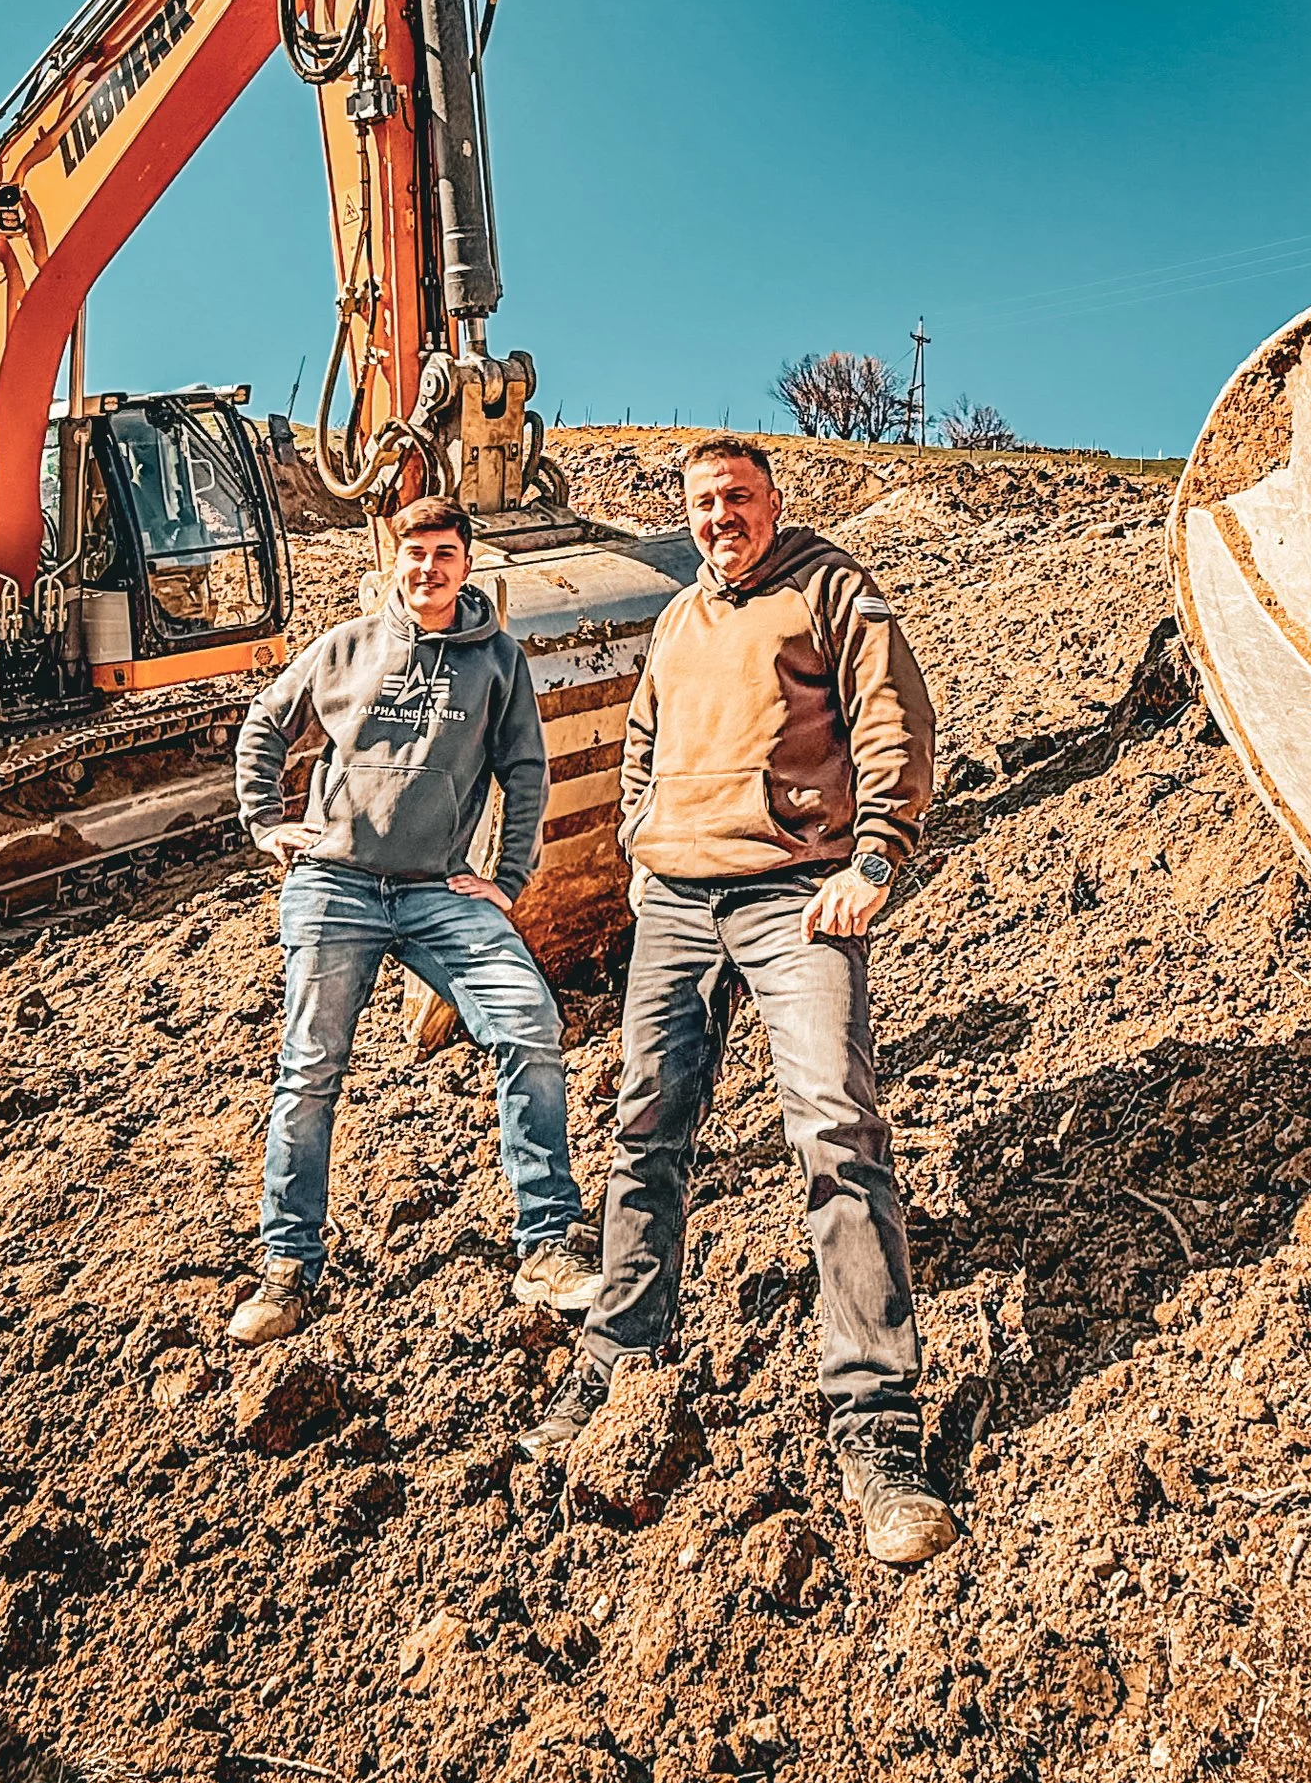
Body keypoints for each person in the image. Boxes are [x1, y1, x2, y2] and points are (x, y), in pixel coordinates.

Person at [518, 436, 957, 1567]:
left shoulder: (829, 587)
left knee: (835, 1128)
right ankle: (618, 1352)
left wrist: (875, 857)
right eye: (705, 502)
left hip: (796, 897)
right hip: (674, 901)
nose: (722, 516)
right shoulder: (677, 618)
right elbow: (643, 742)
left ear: (773, 501)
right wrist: (636, 846)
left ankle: (874, 1427)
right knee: (645, 1128)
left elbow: (893, 717)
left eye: (739, 498)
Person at [227, 492, 600, 1344]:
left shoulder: (499, 660)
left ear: (468, 564)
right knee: (309, 1067)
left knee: (528, 1020)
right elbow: (263, 722)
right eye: (413, 552)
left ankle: (546, 1246)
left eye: (443, 553)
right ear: (395, 560)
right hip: (335, 884)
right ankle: (287, 1269)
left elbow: (527, 772)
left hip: (439, 889)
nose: (427, 568)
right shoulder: (347, 647)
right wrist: (265, 819)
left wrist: (507, 878)